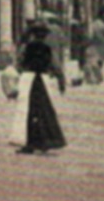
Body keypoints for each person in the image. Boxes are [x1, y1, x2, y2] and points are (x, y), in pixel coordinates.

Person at [9, 23, 68, 154]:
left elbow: (19, 63)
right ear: (45, 36)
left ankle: (29, 142)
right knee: (44, 111)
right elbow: (55, 66)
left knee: (26, 112)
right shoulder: (47, 49)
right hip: (42, 81)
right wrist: (61, 81)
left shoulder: (27, 48)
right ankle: (44, 141)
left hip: (27, 80)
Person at [86, 14, 104, 85]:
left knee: (96, 60)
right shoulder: (103, 25)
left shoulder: (93, 25)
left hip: (95, 45)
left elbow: (90, 36)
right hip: (103, 45)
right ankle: (103, 75)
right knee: (103, 60)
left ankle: (97, 76)